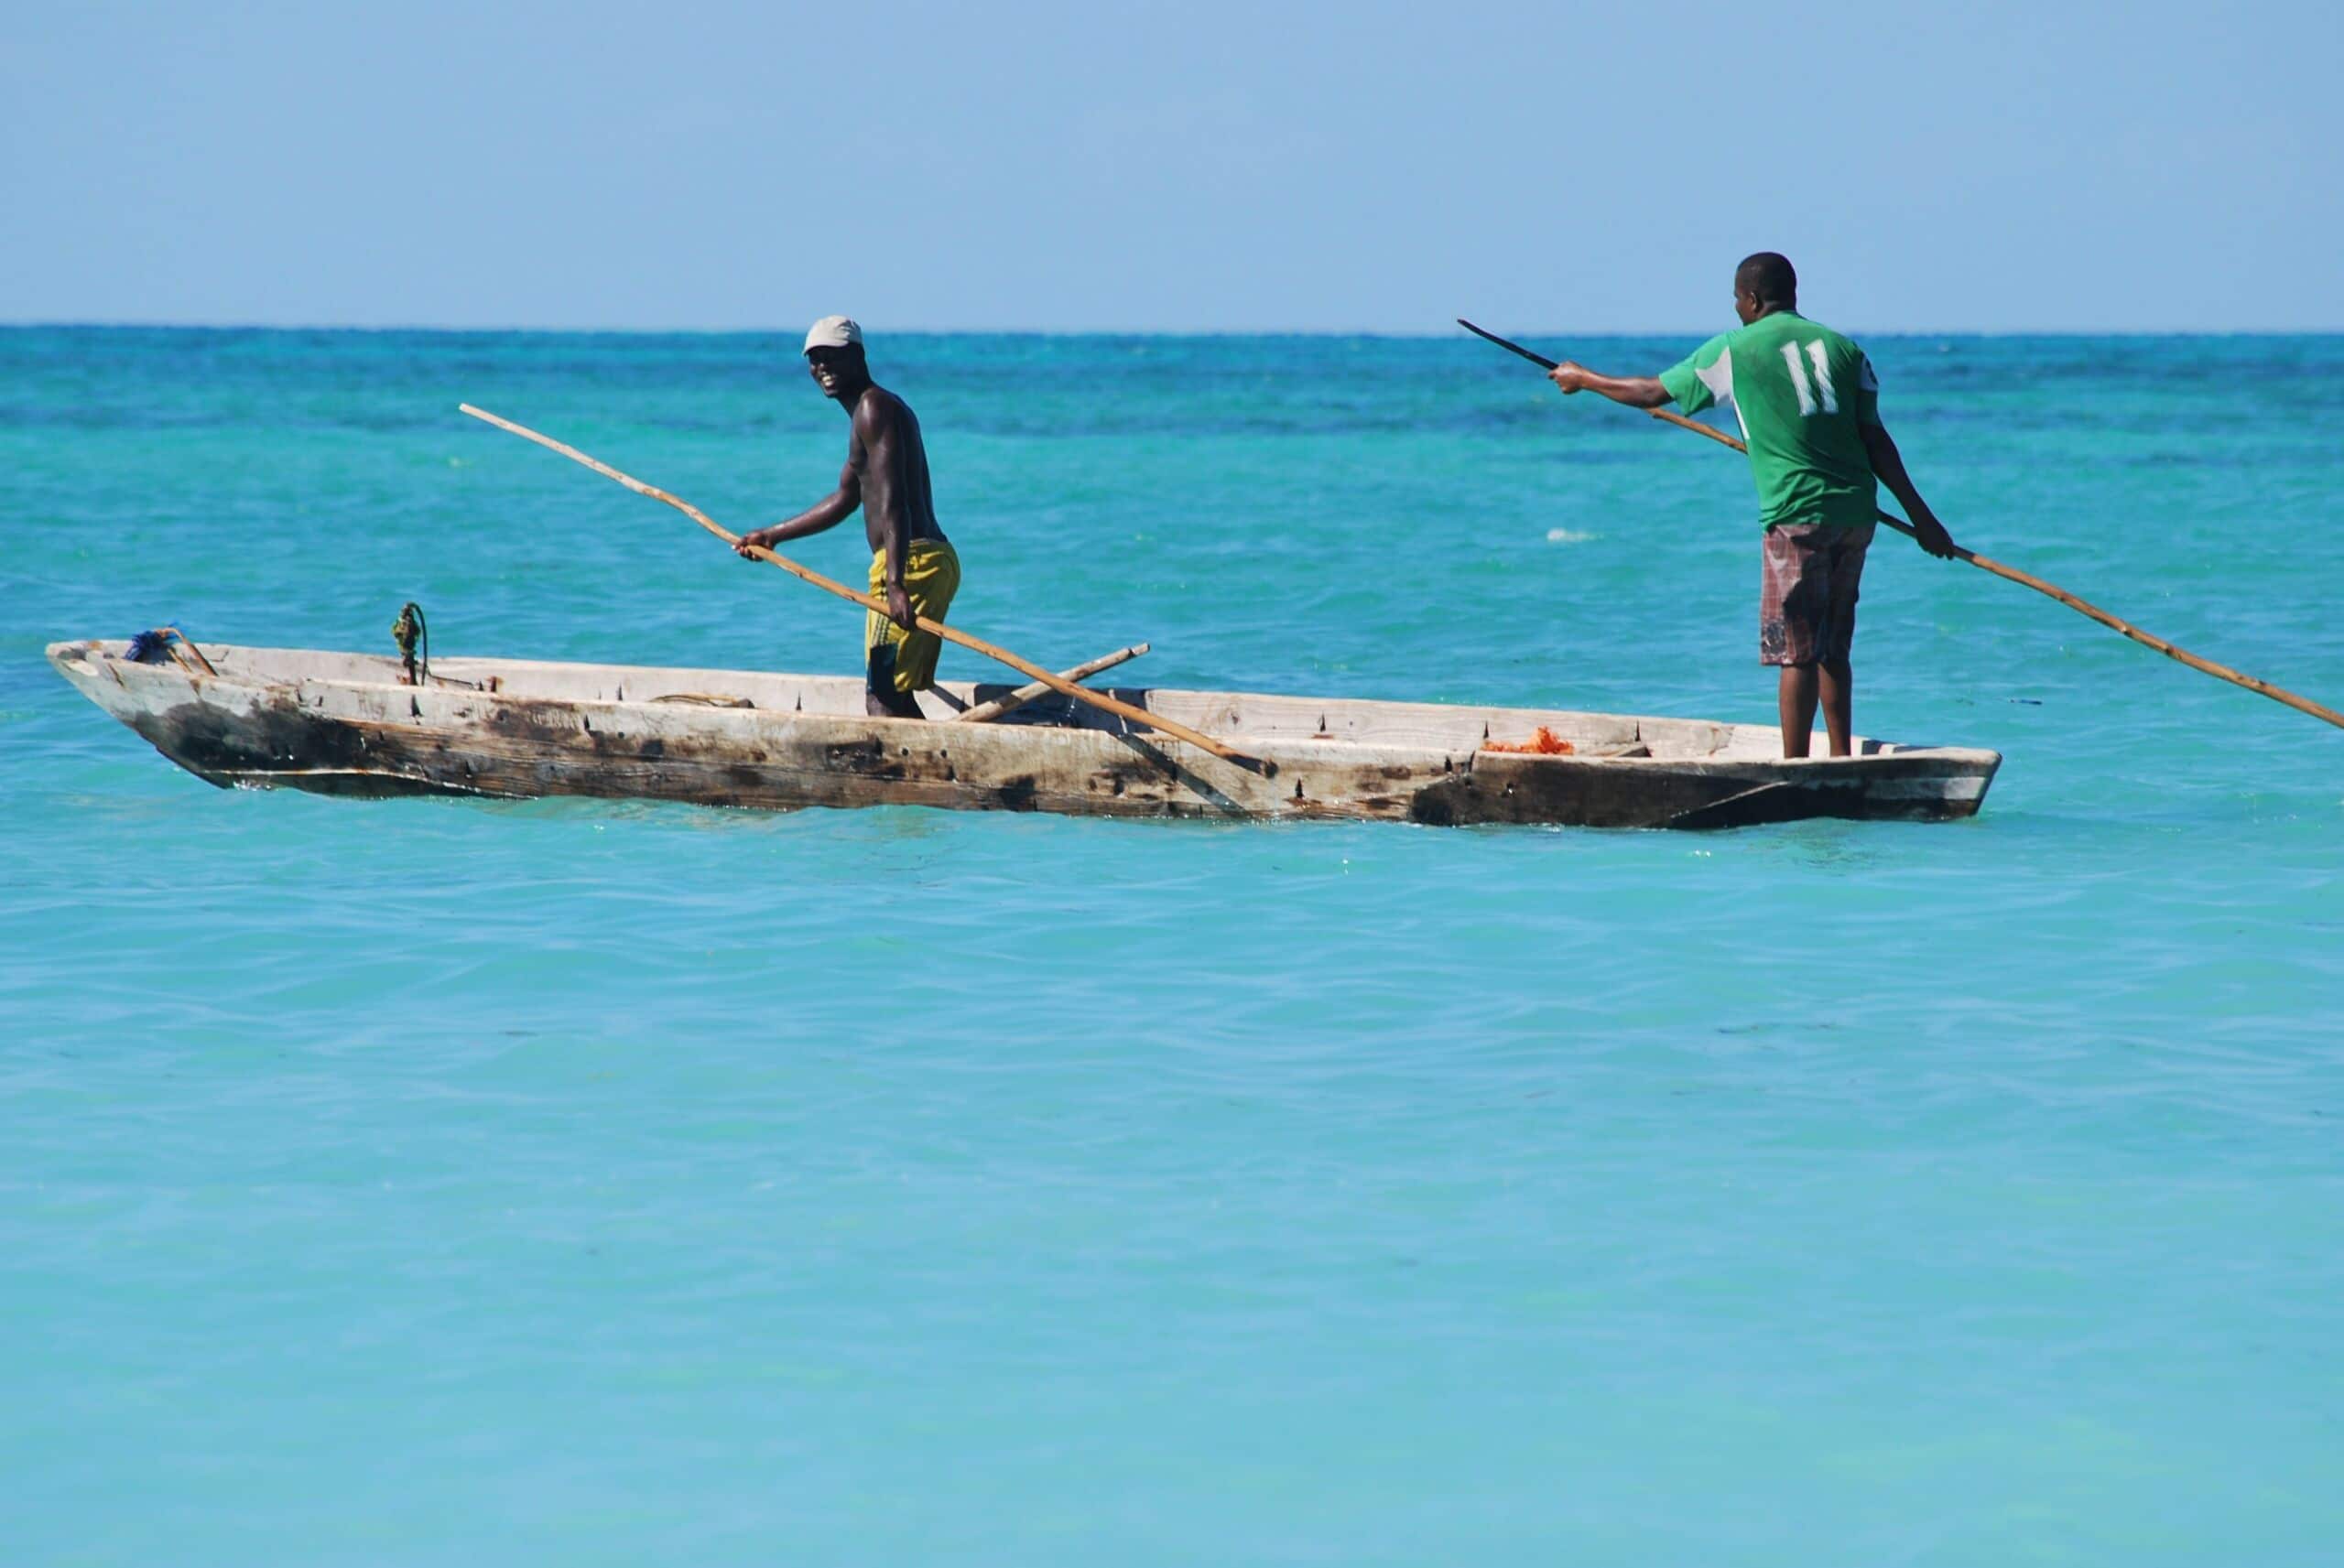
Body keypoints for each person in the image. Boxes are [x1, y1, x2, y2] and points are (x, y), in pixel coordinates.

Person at [1546, 253, 1959, 758]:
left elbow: (1651, 391)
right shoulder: (1847, 351)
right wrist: (1924, 521)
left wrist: (1583, 378)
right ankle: (1841, 759)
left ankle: (1796, 768)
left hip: (1795, 514)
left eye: (1739, 301)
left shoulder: (1735, 349)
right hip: (1856, 514)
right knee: (1834, 647)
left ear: (1754, 300)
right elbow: (1877, 443)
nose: (1737, 310)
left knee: (1797, 652)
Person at [737, 317, 960, 719]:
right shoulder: (867, 415)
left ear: (856, 356)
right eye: (813, 360)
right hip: (925, 562)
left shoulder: (874, 409)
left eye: (830, 358)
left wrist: (894, 582)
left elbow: (894, 502)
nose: (820, 368)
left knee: (882, 695)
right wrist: (773, 535)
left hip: (911, 564)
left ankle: (904, 779)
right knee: (894, 690)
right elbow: (846, 497)